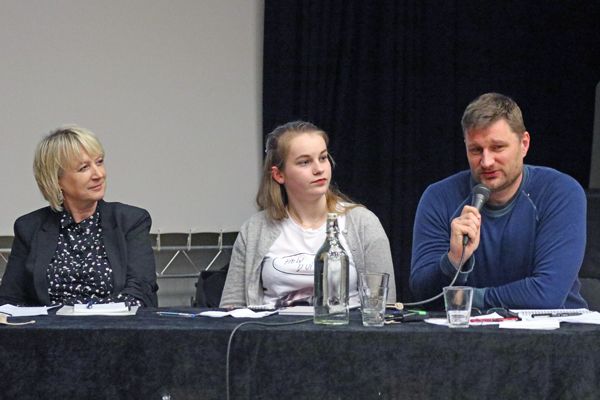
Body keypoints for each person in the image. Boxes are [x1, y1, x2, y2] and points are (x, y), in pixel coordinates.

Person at [410, 92, 588, 310]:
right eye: (476, 150)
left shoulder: (560, 192)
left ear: (524, 144)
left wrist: (466, 299)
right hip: (465, 329)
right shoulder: (439, 197)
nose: (486, 162)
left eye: (497, 147)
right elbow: (422, 294)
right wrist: (454, 259)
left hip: (556, 328)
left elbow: (546, 294)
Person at [220, 121, 396, 308]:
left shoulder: (363, 223)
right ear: (279, 175)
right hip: (270, 327)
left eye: (323, 158)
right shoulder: (255, 229)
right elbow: (231, 308)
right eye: (304, 162)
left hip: (344, 326)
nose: (319, 169)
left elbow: (385, 307)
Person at [0, 125, 158, 307]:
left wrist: (86, 313)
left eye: (99, 162)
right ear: (56, 180)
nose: (99, 174)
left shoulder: (131, 221)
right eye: (84, 168)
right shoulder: (29, 227)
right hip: (49, 326)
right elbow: (9, 300)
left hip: (115, 324)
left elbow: (140, 292)